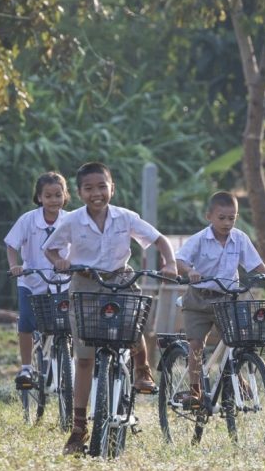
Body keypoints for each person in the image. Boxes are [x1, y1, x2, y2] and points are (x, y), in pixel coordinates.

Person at [44, 162, 178, 455]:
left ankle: (142, 368)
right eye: (89, 188)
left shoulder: (125, 217)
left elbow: (159, 240)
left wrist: (169, 262)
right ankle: (79, 427)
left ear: (112, 189)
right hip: (85, 283)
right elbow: (50, 248)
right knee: (84, 358)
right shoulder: (72, 221)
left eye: (102, 187)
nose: (96, 193)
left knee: (134, 320)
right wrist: (60, 262)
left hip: (119, 278)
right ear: (79, 192)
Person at [175, 191, 265, 408]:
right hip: (198, 300)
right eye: (222, 218)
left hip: (227, 299)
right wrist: (190, 271)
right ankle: (195, 391)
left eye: (231, 218)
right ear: (209, 217)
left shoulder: (240, 238)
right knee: (196, 344)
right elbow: (179, 260)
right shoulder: (199, 239)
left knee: (236, 341)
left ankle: (237, 378)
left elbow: (254, 263)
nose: (227, 223)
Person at [5, 172, 71, 389]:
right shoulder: (28, 220)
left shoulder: (70, 220)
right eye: (48, 196)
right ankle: (26, 367)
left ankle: (66, 364)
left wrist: (72, 262)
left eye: (58, 195)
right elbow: (12, 245)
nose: (54, 200)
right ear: (39, 197)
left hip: (62, 280)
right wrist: (14, 266)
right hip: (31, 279)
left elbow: (80, 245)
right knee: (26, 321)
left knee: (67, 323)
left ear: (65, 195)